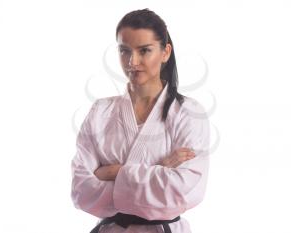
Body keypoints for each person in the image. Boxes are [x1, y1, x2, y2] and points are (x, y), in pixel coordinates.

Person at [70, 8, 210, 233]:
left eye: (144, 51)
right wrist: (158, 169)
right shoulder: (101, 111)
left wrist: (113, 172)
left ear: (165, 52)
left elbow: (182, 192)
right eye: (124, 51)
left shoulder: (188, 113)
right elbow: (81, 191)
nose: (132, 62)